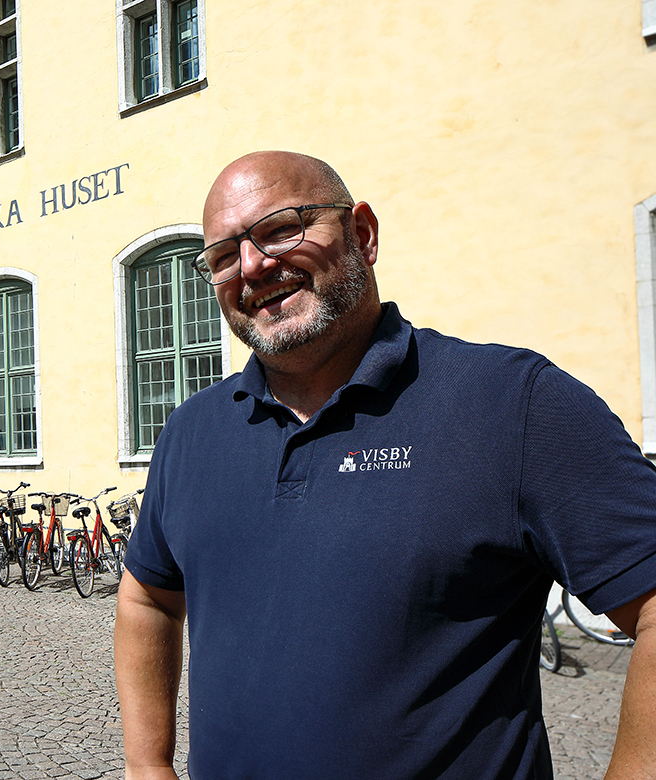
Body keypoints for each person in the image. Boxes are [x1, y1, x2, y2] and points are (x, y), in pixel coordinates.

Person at [115, 151, 656, 779]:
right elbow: (148, 599)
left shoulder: (511, 403)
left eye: (281, 228)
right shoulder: (192, 431)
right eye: (222, 257)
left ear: (363, 235)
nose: (253, 266)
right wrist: (146, 763)